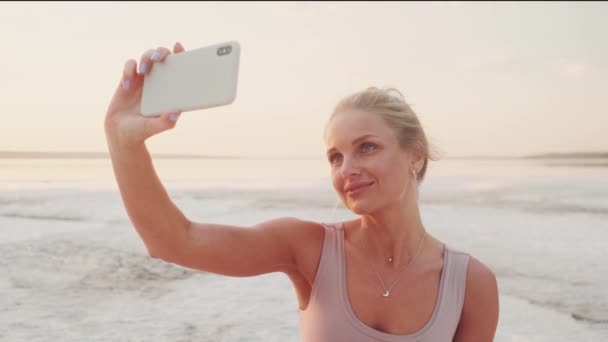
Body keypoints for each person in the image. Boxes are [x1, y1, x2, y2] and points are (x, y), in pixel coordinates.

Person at [104, 42, 499, 341]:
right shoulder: (308, 248)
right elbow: (175, 241)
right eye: (335, 157)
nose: (348, 169)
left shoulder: (470, 283)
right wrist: (123, 140)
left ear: (415, 155)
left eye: (367, 147)